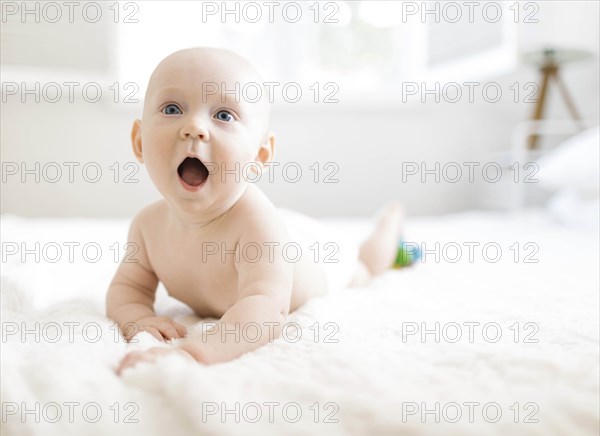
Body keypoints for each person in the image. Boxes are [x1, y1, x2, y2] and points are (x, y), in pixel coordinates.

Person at [107, 48, 403, 374]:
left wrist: (191, 353)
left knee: (365, 267)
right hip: (283, 228)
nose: (194, 127)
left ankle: (389, 224)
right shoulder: (147, 227)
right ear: (138, 142)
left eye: (223, 115)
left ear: (260, 155)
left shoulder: (257, 226)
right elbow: (127, 289)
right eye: (173, 108)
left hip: (315, 255)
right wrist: (138, 320)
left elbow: (264, 309)